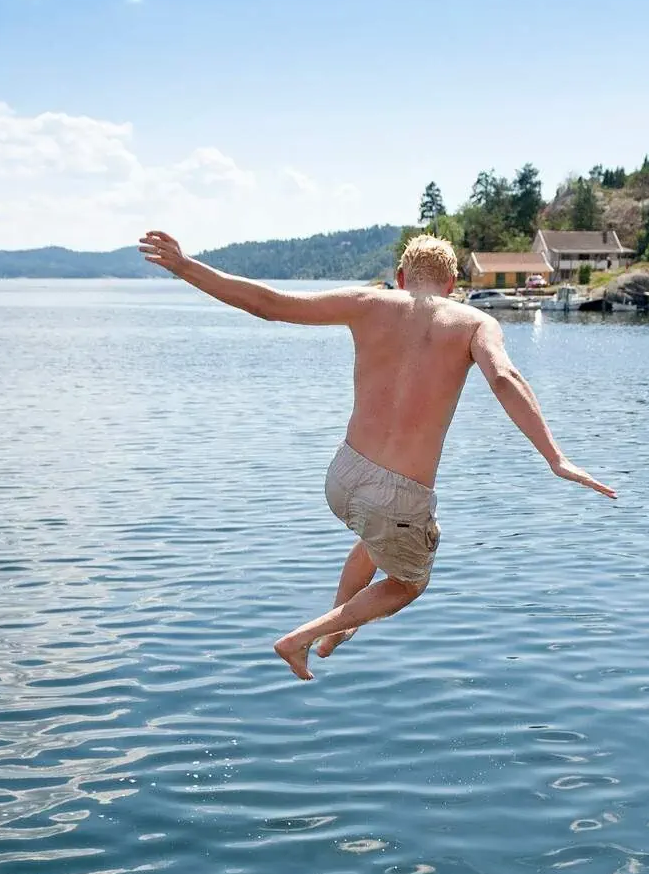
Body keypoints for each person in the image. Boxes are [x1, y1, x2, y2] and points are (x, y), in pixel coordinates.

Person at [137, 230, 615, 680]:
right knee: (408, 581)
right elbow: (506, 379)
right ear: (452, 283)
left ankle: (335, 630)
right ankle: (301, 638)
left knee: (377, 537)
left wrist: (184, 266)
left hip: (342, 477)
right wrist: (556, 457)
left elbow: (268, 303)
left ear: (401, 277)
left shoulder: (367, 302)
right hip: (399, 493)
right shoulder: (474, 321)